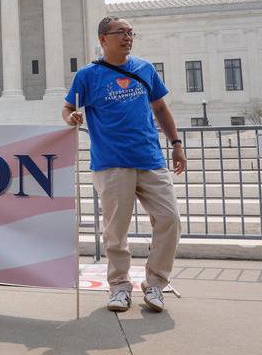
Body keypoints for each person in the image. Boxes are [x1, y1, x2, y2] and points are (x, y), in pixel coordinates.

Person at [62, 17, 186, 313]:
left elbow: (160, 108)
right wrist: (71, 118)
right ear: (104, 39)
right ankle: (119, 286)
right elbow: (68, 107)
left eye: (131, 33)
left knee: (170, 219)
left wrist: (176, 144)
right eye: (121, 33)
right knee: (116, 230)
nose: (128, 37)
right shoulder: (88, 75)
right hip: (111, 163)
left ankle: (155, 283)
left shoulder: (144, 69)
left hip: (150, 159)